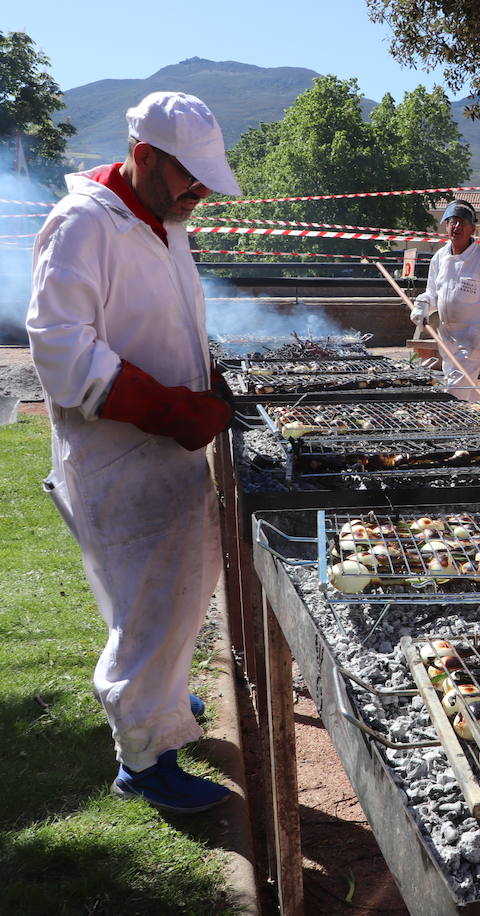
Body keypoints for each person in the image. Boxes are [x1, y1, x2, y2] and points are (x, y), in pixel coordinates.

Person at [26, 92, 239, 813]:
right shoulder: (84, 224)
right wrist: (169, 407)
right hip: (118, 452)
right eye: (190, 175)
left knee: (179, 590)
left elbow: (169, 319)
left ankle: (166, 705)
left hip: (166, 449)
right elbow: (60, 349)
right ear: (144, 157)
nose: (201, 192)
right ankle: (143, 759)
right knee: (148, 606)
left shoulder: (163, 222)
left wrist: (205, 377)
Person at [411, 200, 480, 400]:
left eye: (462, 223)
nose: (456, 227)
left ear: (472, 228)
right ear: (446, 226)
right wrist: (421, 306)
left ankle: (453, 425)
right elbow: (432, 292)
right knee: (466, 393)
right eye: (452, 222)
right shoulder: (439, 258)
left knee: (454, 393)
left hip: (473, 340)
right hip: (448, 338)